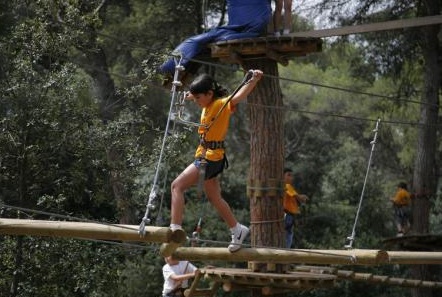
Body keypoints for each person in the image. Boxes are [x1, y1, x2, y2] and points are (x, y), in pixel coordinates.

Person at [169, 70, 264, 252]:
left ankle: (175, 228)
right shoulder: (206, 103)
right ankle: (237, 229)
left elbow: (239, 96)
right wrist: (187, 95)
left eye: (198, 98)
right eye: (195, 98)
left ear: (209, 94)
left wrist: (254, 80)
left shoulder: (220, 104)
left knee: (177, 186)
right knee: (214, 197)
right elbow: (193, 95)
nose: (196, 101)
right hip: (210, 156)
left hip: (210, 158)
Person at [283, 168, 308, 248]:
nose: (291, 177)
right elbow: (298, 197)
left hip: (289, 216)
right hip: (287, 216)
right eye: (288, 175)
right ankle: (284, 253)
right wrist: (303, 197)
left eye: (292, 175)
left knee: (288, 235)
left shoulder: (288, 187)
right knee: (288, 236)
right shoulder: (286, 186)